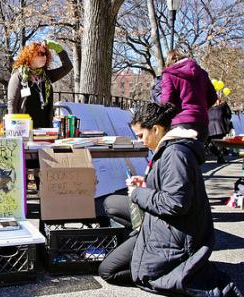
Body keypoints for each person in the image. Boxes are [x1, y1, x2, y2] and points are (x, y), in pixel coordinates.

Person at [99, 103, 242, 297]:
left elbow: (176, 203)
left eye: (141, 136)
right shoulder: (170, 149)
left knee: (109, 271)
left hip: (176, 232)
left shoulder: (175, 154)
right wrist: (146, 183)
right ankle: (141, 242)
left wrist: (138, 193)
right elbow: (170, 187)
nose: (140, 141)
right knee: (111, 203)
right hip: (165, 223)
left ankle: (153, 255)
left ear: (156, 129)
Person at [7, 40, 72, 128]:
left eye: (45, 54)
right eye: (40, 54)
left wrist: (56, 47)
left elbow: (67, 67)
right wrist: (13, 128)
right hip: (25, 128)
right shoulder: (18, 76)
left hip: (45, 127)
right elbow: (12, 103)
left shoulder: (46, 75)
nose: (44, 57)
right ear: (30, 55)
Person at [160, 50, 217, 142]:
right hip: (202, 122)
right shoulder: (202, 73)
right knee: (197, 154)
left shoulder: (169, 74)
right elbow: (213, 97)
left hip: (180, 122)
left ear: (170, 62)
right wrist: (201, 109)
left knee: (180, 154)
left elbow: (166, 101)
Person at [207, 99, 233, 163]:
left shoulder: (207, 106)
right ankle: (220, 156)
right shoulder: (224, 105)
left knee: (211, 142)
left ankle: (219, 155)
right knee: (220, 142)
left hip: (210, 127)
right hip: (220, 126)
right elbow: (229, 114)